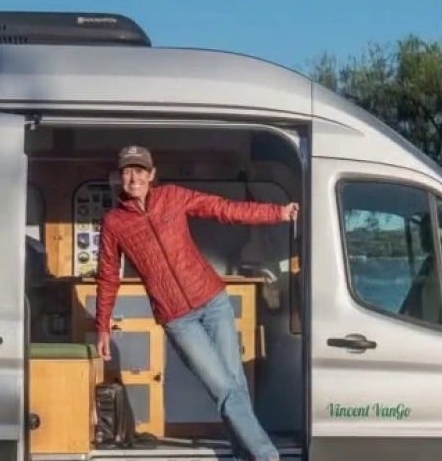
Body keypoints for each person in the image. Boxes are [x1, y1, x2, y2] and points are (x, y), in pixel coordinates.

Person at [95, 145, 296, 461]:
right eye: (127, 171)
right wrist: (103, 326)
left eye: (139, 170)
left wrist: (277, 213)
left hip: (213, 301)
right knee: (223, 389)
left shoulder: (172, 197)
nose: (133, 177)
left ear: (152, 175)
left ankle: (244, 456)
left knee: (236, 386)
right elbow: (108, 276)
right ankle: (268, 456)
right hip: (178, 318)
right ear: (120, 177)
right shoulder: (115, 223)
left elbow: (222, 209)